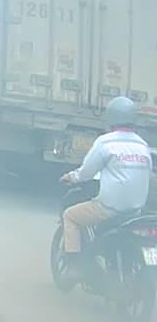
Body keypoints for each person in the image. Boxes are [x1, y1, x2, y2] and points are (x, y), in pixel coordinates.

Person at [59, 96, 153, 281]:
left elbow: (86, 173)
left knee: (70, 216)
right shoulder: (142, 145)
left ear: (110, 118)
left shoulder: (105, 142)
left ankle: (74, 267)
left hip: (108, 210)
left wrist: (71, 177)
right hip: (136, 211)